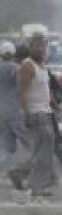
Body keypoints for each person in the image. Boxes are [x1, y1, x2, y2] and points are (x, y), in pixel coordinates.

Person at [8, 34, 56, 197]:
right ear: (31, 47)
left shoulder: (42, 65)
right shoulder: (27, 65)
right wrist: (25, 113)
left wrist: (56, 106)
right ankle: (36, 186)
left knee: (40, 151)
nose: (40, 49)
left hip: (46, 112)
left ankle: (18, 172)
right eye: (37, 46)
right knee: (44, 152)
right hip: (35, 114)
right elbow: (21, 92)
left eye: (43, 46)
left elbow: (45, 90)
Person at [0, 41, 26, 188]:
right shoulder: (17, 69)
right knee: (29, 142)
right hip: (14, 111)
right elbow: (20, 89)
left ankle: (9, 168)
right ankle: (20, 171)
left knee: (7, 146)